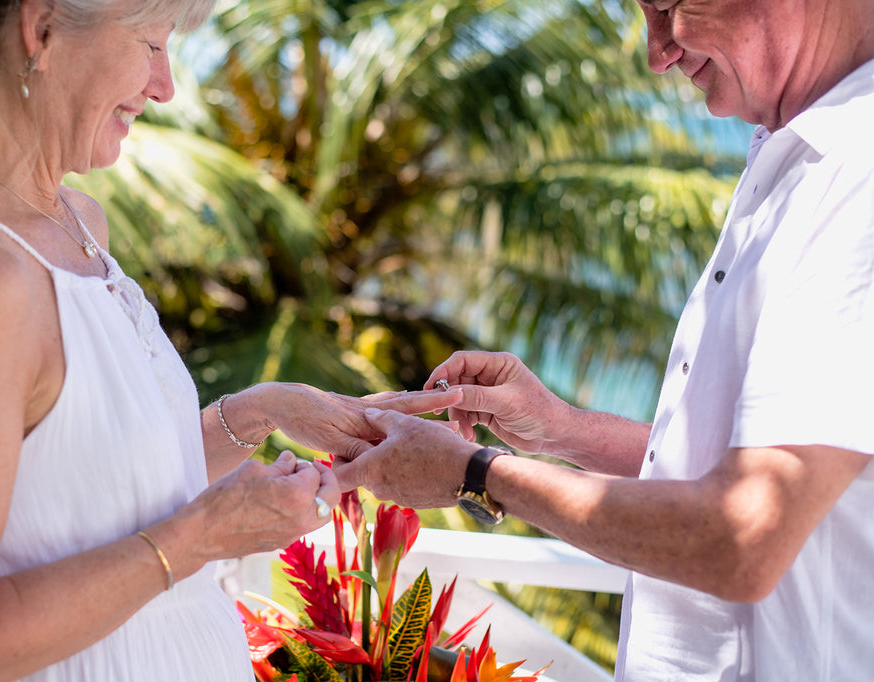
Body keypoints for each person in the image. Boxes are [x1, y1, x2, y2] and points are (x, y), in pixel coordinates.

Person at [0, 0, 456, 680]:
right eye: (151, 44)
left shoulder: (75, 222)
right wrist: (204, 537)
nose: (165, 86)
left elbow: (94, 492)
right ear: (42, 27)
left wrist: (261, 411)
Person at [334, 0, 874, 679]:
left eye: (670, 7)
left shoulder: (858, 176)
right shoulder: (800, 153)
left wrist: (476, 475)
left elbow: (742, 536)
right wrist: (564, 429)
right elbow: (759, 468)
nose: (658, 53)